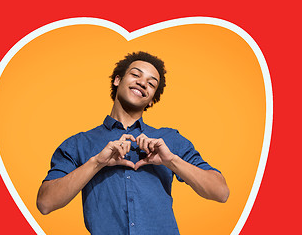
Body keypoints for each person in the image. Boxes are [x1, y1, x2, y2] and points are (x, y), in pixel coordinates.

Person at [37, 51, 229, 235]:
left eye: (151, 84)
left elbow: (220, 192)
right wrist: (97, 163)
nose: (142, 83)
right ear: (117, 80)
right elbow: (45, 203)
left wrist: (171, 161)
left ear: (152, 100)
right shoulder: (79, 144)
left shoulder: (169, 140)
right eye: (135, 74)